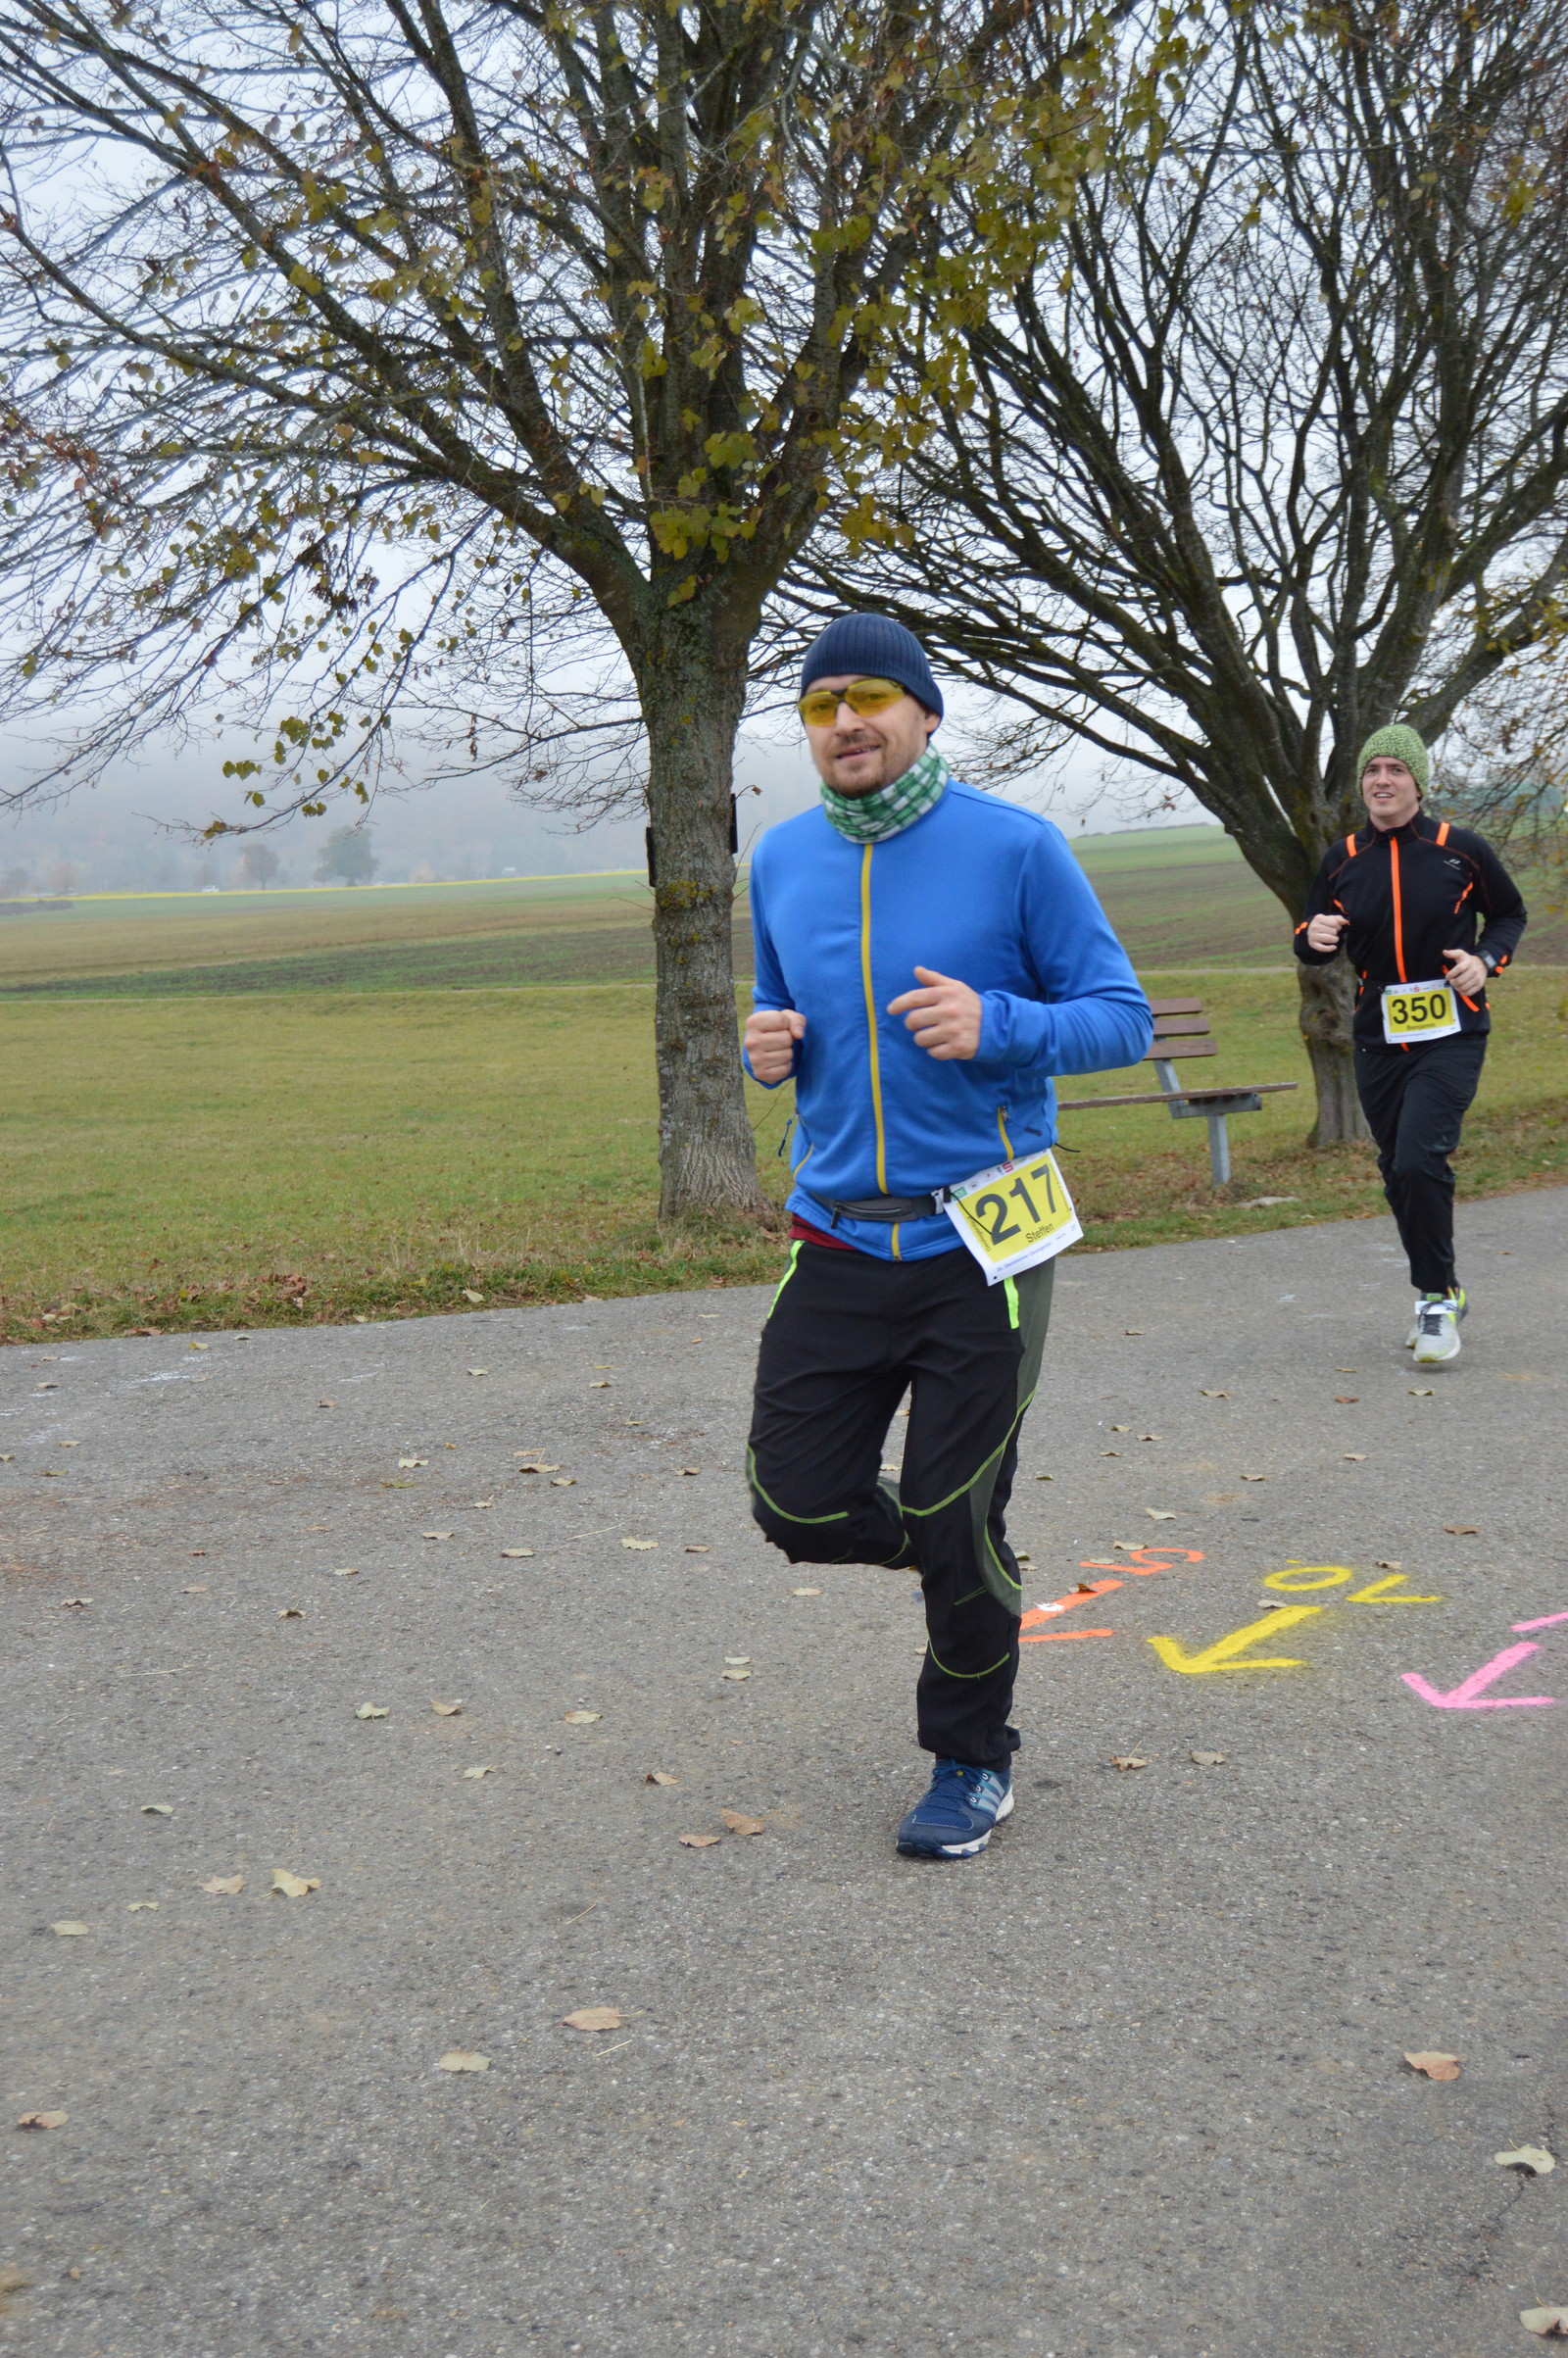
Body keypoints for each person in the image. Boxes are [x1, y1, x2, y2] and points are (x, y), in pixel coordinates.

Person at [741, 612, 1152, 1861]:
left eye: (869, 696)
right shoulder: (781, 859)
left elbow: (1119, 1017)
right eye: (821, 705)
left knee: (959, 1505)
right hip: (835, 1233)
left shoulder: (1015, 847)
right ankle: (950, 1546)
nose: (844, 722)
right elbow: (778, 1005)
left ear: (923, 712)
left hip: (986, 1238)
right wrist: (765, 1044)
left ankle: (971, 1759)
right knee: (795, 1503)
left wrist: (1001, 1025)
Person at [1295, 723, 1527, 1364]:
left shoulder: (1462, 850)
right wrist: (1311, 935)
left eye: (1396, 770)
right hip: (1378, 1035)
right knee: (1397, 1169)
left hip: (1452, 1031)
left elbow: (1508, 915)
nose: (1382, 780)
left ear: (1418, 784)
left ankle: (1435, 1300)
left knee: (1421, 1159)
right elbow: (1310, 933)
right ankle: (1444, 1287)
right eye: (1373, 770)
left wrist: (1485, 960)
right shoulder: (1342, 858)